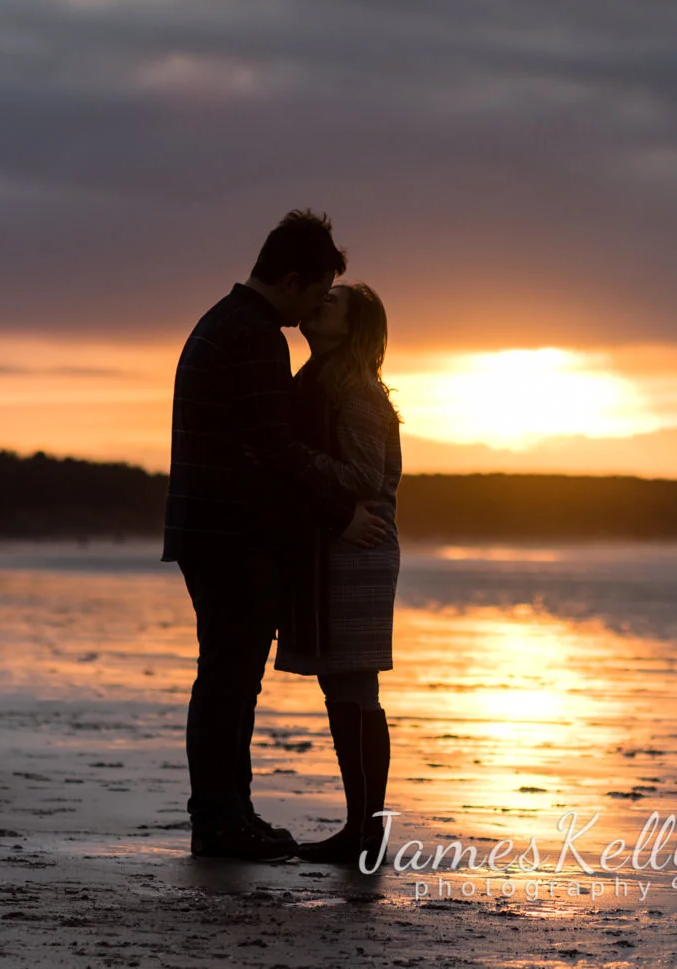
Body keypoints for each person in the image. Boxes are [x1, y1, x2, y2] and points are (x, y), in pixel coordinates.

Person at [162, 210, 388, 861]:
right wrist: (340, 514)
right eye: (318, 290)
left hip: (210, 530)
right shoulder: (257, 337)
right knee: (228, 679)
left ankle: (233, 811)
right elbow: (275, 449)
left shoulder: (225, 323)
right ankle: (218, 819)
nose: (319, 302)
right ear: (292, 279)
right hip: (231, 535)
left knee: (232, 678)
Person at [274, 282, 402, 866]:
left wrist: (291, 458)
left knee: (354, 690)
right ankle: (360, 829)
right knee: (345, 690)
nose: (317, 305)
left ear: (351, 329)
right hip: (338, 548)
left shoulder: (355, 393)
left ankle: (365, 834)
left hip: (359, 551)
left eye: (331, 304)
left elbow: (363, 477)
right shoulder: (323, 382)